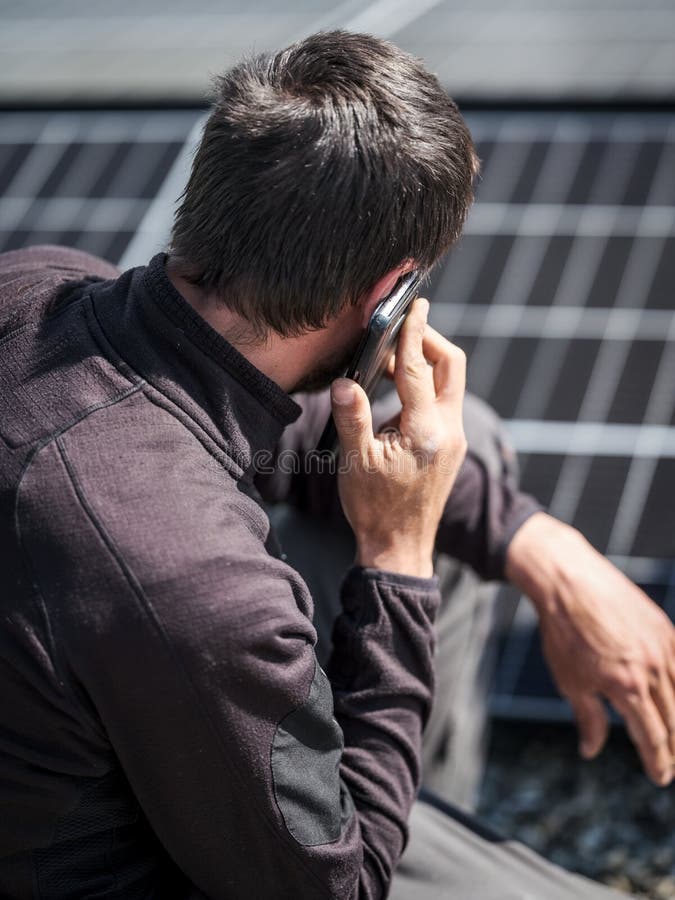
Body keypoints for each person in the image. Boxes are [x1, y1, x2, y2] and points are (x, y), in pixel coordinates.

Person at [0, 29, 673, 900]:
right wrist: (398, 557)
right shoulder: (198, 588)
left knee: (459, 435)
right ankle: (386, 809)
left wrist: (541, 544)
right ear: (387, 294)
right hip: (190, 863)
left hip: (99, 739)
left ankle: (406, 806)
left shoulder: (37, 287)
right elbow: (338, 888)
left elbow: (303, 435)